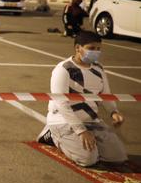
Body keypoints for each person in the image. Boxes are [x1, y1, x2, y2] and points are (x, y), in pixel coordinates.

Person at [37, 31, 127, 167]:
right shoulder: (63, 69)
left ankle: (84, 144)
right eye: (91, 48)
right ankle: (52, 135)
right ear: (78, 48)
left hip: (92, 121)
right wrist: (81, 131)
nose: (96, 52)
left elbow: (106, 95)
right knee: (88, 160)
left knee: (118, 156)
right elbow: (61, 104)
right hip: (63, 121)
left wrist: (113, 112)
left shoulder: (99, 68)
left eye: (98, 49)